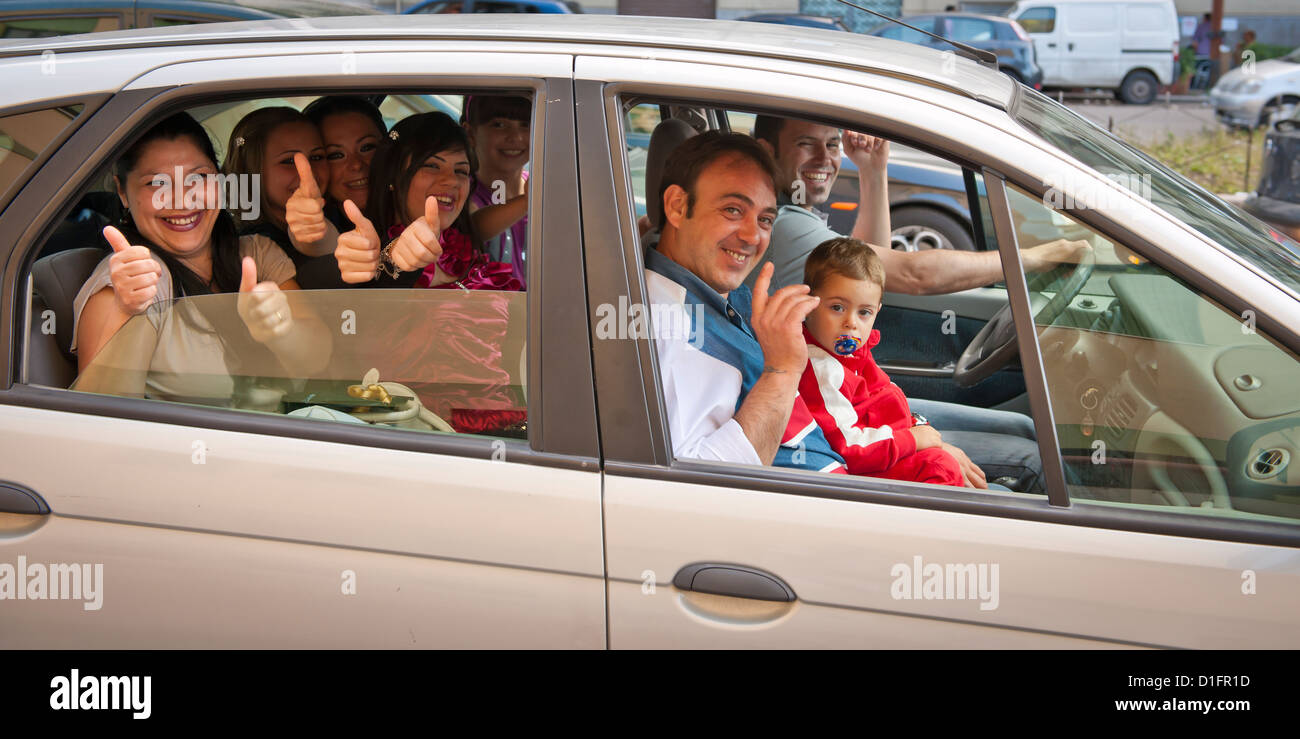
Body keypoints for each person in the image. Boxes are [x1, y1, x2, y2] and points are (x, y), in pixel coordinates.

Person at [72, 112, 329, 399]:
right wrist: (127, 312)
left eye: (198, 177)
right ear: (122, 192)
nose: (183, 198)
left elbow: (318, 363)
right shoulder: (128, 282)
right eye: (157, 183)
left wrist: (281, 331)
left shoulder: (258, 253)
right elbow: (102, 414)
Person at [645, 130, 846, 472]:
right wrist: (781, 372)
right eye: (733, 210)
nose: (753, 236)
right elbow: (699, 487)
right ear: (677, 207)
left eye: (765, 219)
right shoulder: (676, 327)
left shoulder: (715, 294)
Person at [798, 237, 1047, 490]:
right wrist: (912, 440)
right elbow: (849, 446)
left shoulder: (852, 352)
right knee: (941, 467)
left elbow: (883, 395)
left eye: (864, 312)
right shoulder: (821, 368)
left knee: (1022, 427)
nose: (851, 323)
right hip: (871, 458)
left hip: (889, 439)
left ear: (877, 311)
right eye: (837, 307)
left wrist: (917, 428)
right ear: (809, 305)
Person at [749, 114, 1089, 294]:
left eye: (833, 145)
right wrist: (1037, 256)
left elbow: (868, 272)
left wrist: (873, 171)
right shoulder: (784, 224)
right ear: (767, 151)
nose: (826, 159)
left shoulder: (791, 212)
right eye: (807, 144)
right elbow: (914, 274)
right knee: (1022, 428)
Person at [221, 107, 336, 270]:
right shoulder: (247, 250)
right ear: (252, 169)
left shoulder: (344, 216)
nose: (309, 172)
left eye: (317, 157)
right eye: (288, 161)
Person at [462, 95, 530, 287]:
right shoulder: (462, 193)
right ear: (470, 134)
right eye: (499, 124)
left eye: (525, 124)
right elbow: (472, 228)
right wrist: (526, 202)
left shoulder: (544, 186)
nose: (515, 137)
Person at [303, 95, 387, 215]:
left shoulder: (419, 211)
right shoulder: (311, 228)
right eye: (336, 155)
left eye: (367, 147)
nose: (356, 165)